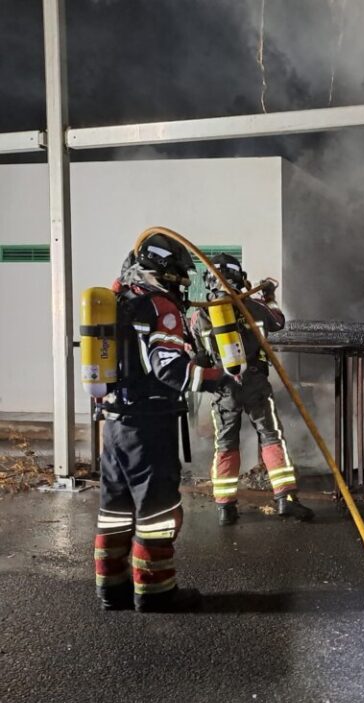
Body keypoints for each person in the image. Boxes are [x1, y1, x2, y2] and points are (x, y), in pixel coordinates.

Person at [93, 234, 225, 612]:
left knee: (115, 508)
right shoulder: (161, 307)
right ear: (163, 272)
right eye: (179, 280)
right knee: (156, 512)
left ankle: (111, 589)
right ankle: (156, 592)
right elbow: (170, 370)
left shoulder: (120, 298)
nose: (181, 288)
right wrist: (217, 378)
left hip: (115, 422)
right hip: (149, 424)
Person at [190, 253, 313, 526]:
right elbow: (279, 322)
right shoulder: (255, 307)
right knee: (271, 437)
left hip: (223, 389)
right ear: (238, 277)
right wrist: (268, 295)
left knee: (225, 445)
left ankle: (225, 507)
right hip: (256, 382)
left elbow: (198, 353)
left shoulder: (199, 316)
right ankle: (285, 499)